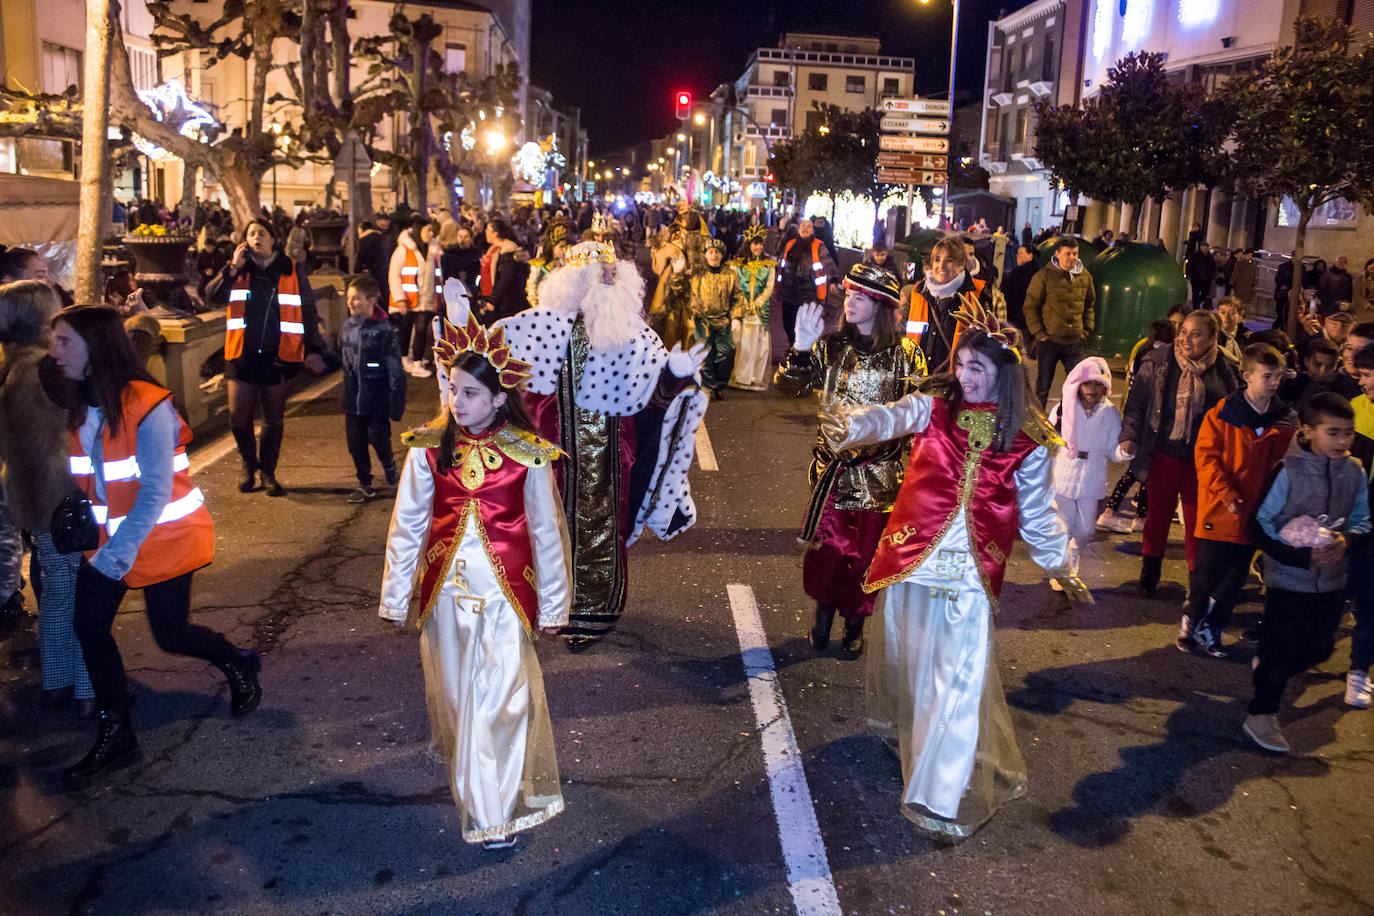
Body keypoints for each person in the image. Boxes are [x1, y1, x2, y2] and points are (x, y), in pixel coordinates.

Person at [823, 300, 1087, 837]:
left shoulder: (1029, 439)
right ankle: (921, 748)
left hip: (971, 575)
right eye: (961, 364)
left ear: (1004, 374)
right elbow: (888, 417)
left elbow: (1038, 514)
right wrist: (846, 422)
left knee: (958, 679)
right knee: (917, 666)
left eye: (978, 368)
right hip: (914, 562)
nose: (965, 377)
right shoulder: (934, 406)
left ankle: (938, 791)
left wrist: (1062, 563)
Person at [380, 316, 569, 848]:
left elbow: (546, 532)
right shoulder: (428, 447)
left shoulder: (527, 453)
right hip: (446, 599)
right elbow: (408, 524)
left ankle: (492, 812)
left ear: (498, 398)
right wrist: (395, 596)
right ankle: (487, 806)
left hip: (507, 598)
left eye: (469, 393)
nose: (456, 402)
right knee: (463, 704)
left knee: (505, 700)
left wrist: (555, 606)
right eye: (452, 390)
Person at [52, 306, 260, 787]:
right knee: (88, 626)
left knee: (171, 635)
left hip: (162, 539)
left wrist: (112, 557)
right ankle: (117, 732)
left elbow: (155, 492)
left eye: (64, 341)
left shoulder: (149, 406)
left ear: (95, 347)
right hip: (110, 544)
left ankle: (237, 661)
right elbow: (91, 476)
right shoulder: (81, 402)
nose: (54, 351)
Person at [494, 241, 708, 648]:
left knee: (602, 528)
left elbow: (655, 403)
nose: (609, 282)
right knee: (545, 525)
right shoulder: (539, 325)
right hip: (549, 456)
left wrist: (672, 376)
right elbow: (491, 369)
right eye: (600, 276)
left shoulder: (634, 335)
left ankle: (592, 613)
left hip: (610, 457)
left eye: (612, 275)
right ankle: (545, 604)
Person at [776, 266, 926, 658]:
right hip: (833, 475)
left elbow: (920, 414)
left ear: (881, 305)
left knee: (865, 559)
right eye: (848, 294)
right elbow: (789, 389)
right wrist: (801, 351)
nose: (849, 302)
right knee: (829, 554)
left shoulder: (906, 355)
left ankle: (855, 622)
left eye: (860, 297)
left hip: (881, 478)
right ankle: (824, 612)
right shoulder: (831, 347)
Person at [1242, 392, 1369, 752]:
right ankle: (1260, 715)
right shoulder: (1288, 470)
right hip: (1287, 580)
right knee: (1280, 649)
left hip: (1332, 581)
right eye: (1333, 432)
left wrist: (1346, 540)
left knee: (1320, 649)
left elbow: (1362, 520)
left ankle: (1269, 669)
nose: (1342, 441)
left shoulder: (1355, 472)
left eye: (1348, 433)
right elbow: (1256, 525)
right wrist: (1297, 558)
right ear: (1308, 430)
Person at [0, 280, 90, 710]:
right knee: (86, 597)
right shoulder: (50, 368)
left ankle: (57, 680)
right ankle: (91, 689)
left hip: (28, 496)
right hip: (66, 498)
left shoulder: (7, 368)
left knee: (55, 593)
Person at [1180, 344, 1297, 657]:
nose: (1274, 383)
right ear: (1246, 376)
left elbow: (1285, 468)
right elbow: (1207, 459)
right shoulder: (1221, 414)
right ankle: (1191, 622)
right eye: (1267, 376)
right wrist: (1227, 493)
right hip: (1219, 511)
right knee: (1205, 576)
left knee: (1234, 580)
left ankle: (1213, 630)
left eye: (1278, 376)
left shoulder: (1284, 421)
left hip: (1253, 515)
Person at [1120, 310, 1240, 595]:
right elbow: (1137, 404)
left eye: (1196, 334)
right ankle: (1149, 572)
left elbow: (1237, 410)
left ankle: (1197, 581)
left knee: (1198, 520)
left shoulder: (1226, 368)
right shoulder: (1157, 361)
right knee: (1157, 515)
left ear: (1212, 338)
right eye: (1183, 331)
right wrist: (1129, 437)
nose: (1186, 339)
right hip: (1163, 453)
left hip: (1204, 460)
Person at [206, 219, 326, 497]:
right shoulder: (238, 269)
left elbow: (307, 310)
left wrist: (314, 349)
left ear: (273, 239)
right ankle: (249, 466)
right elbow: (211, 295)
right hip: (242, 355)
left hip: (278, 355)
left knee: (274, 418)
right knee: (238, 417)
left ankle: (268, 472)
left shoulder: (291, 269)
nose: (256, 237)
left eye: (262, 232)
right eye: (251, 233)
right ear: (245, 241)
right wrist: (232, 267)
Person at [1048, 358, 1127, 590]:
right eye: (1087, 383)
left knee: (1085, 529)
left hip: (1091, 477)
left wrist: (1125, 451)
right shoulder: (1063, 408)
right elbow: (1049, 440)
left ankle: (1074, 552)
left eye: (1097, 384)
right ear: (1078, 384)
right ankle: (1064, 569)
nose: (1092, 389)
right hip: (1064, 472)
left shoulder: (1110, 413)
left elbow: (1113, 449)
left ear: (1105, 387)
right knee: (1064, 525)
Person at [340, 276, 406, 503]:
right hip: (352, 400)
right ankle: (364, 483)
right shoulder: (347, 327)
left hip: (376, 399)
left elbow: (395, 369)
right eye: (349, 298)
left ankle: (389, 466)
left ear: (371, 300)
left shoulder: (384, 330)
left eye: (356, 298)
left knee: (379, 439)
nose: (350, 303)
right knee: (355, 443)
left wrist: (396, 405)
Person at [1024, 236, 1095, 408]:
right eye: (1068, 254)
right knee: (1043, 386)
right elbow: (1031, 306)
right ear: (1057, 254)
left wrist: (1085, 330)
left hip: (1074, 341)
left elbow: (1090, 305)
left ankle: (1068, 417)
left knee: (1076, 385)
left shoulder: (1085, 277)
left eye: (1075, 253)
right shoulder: (1044, 276)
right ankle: (1039, 420)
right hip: (1049, 341)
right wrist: (1039, 333)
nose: (1072, 257)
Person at [905, 234, 992, 372]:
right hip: (918, 379)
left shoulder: (977, 295)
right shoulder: (918, 292)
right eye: (937, 260)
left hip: (956, 380)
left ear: (961, 264)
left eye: (949, 260)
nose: (941, 266)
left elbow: (984, 344)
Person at [690, 238, 747, 397]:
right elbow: (692, 297)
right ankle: (707, 386)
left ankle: (720, 385)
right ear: (705, 255)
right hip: (703, 322)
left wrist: (736, 317)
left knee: (726, 352)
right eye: (711, 252)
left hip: (723, 321)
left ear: (722, 255)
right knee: (705, 354)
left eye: (717, 252)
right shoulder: (698, 275)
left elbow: (739, 297)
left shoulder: (730, 275)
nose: (714, 255)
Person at [777, 219, 839, 348]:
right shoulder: (790, 243)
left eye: (808, 226)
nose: (805, 228)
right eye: (803, 225)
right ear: (798, 228)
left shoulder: (818, 246)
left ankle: (801, 351)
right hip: (788, 293)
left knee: (803, 326)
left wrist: (833, 279)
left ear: (812, 230)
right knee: (788, 324)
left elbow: (828, 263)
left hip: (808, 296)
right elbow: (781, 262)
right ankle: (792, 346)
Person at [729, 225, 774, 391]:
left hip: (760, 311)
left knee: (760, 344)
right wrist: (744, 302)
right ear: (748, 245)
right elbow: (734, 286)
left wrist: (757, 303)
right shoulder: (737, 265)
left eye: (760, 244)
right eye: (755, 243)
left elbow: (769, 288)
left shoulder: (769, 265)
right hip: (742, 309)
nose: (758, 247)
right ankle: (740, 375)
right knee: (742, 342)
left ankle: (755, 376)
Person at [405, 219, 444, 379]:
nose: (431, 233)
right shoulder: (407, 249)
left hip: (429, 298)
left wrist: (439, 297)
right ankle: (416, 361)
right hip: (414, 299)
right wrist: (401, 299)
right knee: (419, 330)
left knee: (427, 330)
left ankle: (422, 359)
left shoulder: (433, 248)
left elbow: (438, 274)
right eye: (428, 230)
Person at [477, 218, 530, 324]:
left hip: (506, 302)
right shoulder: (493, 249)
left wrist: (493, 300)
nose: (486, 233)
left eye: (488, 230)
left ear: (495, 233)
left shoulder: (507, 252)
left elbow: (506, 279)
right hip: (492, 298)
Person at [1277, 337, 1338, 407]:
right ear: (1306, 361)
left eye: (1330, 366)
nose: (1323, 371)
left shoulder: (1340, 389)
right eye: (1317, 364)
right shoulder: (1290, 389)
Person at [525, 221, 568, 309]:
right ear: (552, 247)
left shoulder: (565, 265)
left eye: (565, 246)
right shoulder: (539, 266)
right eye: (561, 247)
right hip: (542, 307)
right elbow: (531, 286)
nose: (564, 250)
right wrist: (535, 305)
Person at [1000, 244, 1038, 342]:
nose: (1017, 256)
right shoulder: (1038, 272)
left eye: (1021, 253)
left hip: (1019, 320)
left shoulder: (1019, 274)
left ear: (1030, 255)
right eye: (1017, 253)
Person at [355, 221, 391, 306]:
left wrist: (356, 269)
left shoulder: (364, 240)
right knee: (385, 294)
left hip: (374, 273)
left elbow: (360, 258)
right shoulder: (380, 237)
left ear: (361, 230)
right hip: (385, 270)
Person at [439, 222, 481, 290]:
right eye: (460, 236)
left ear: (471, 238)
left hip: (471, 288)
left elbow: (477, 271)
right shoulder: (450, 253)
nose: (462, 239)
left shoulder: (476, 254)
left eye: (465, 237)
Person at [1216, 297, 1250, 364]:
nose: (1226, 317)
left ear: (1240, 316)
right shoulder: (1212, 336)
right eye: (1222, 312)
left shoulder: (1248, 339)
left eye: (1232, 313)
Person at [1185, 241, 1217, 309]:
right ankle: (1196, 307)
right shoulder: (1195, 255)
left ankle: (1197, 302)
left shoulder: (1210, 257)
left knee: (1206, 292)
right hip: (1196, 278)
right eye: (1203, 247)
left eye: (1206, 247)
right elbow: (1189, 265)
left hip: (1207, 279)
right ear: (1201, 247)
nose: (1205, 248)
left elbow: (1213, 267)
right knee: (1195, 293)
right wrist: (1189, 274)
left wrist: (1212, 276)